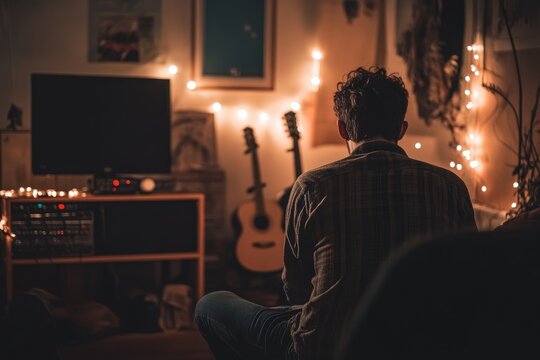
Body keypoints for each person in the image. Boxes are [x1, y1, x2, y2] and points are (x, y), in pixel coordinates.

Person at [195, 66, 477, 360]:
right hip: (422, 345)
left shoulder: (312, 186)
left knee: (210, 306)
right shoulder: (450, 186)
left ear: (342, 128)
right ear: (402, 129)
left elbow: (297, 291)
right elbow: (467, 276)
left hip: (326, 347)